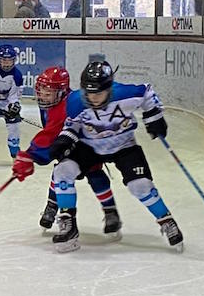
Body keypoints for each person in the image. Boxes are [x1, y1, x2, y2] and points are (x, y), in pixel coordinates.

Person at [47, 61, 183, 253]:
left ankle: (166, 220)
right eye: (89, 93)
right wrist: (64, 139)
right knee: (62, 171)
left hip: (124, 146)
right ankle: (68, 224)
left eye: (99, 93)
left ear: (109, 88)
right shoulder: (76, 100)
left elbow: (147, 92)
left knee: (140, 185)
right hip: (89, 147)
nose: (93, 98)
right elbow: (73, 125)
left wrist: (154, 115)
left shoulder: (125, 94)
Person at [10, 66, 122, 235]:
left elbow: (49, 134)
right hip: (66, 143)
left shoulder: (66, 105)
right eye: (41, 91)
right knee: (60, 172)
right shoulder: (50, 102)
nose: (42, 96)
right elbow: (51, 129)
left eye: (48, 93)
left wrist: (30, 155)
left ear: (61, 92)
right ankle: (52, 205)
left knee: (95, 174)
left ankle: (110, 210)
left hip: (87, 145)